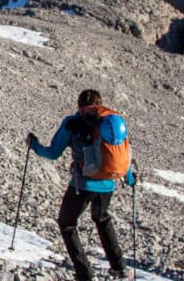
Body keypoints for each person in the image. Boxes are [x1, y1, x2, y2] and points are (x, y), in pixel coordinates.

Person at [26, 89, 135, 281]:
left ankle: (85, 274)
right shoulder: (109, 121)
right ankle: (119, 267)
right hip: (108, 184)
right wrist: (130, 178)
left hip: (82, 185)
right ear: (99, 104)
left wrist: (33, 145)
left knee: (67, 224)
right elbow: (121, 153)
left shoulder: (72, 123)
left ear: (79, 105)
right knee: (102, 219)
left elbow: (52, 153)